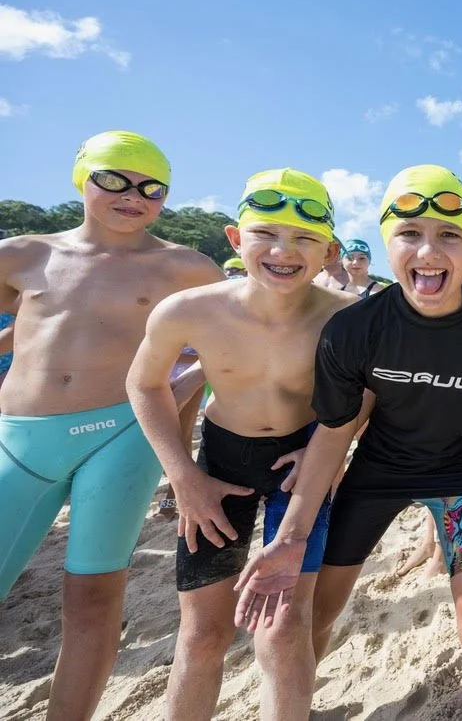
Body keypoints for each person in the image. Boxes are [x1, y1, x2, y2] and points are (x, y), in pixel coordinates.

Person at [234, 164, 462, 721]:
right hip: (376, 473)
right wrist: (292, 535)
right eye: (409, 234)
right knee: (320, 609)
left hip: (461, 477)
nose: (428, 252)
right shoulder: (354, 329)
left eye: (449, 235)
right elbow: (334, 433)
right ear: (387, 244)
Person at [0, 130, 223, 720]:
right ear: (83, 178)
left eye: (152, 187)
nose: (133, 195)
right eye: (114, 179)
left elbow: (239, 332)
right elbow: (31, 322)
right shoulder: (22, 254)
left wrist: (183, 383)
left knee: (93, 599)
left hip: (122, 435)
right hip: (21, 436)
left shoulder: (185, 266)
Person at [127, 168, 356, 720]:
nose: (283, 251)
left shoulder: (347, 318)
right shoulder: (189, 310)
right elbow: (144, 384)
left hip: (301, 465)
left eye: (304, 238)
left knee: (283, 628)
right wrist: (184, 477)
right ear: (235, 238)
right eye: (266, 234)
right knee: (203, 633)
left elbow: (369, 397)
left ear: (328, 251)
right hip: (220, 462)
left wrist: (328, 452)